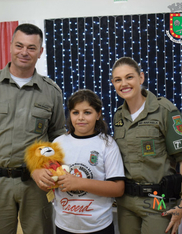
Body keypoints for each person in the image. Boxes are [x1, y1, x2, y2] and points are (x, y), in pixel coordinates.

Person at [0, 23, 66, 234]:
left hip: (37, 185)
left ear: (40, 52)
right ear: (10, 46)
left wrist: (51, 171)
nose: (24, 52)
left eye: (31, 47)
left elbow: (58, 138)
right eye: (19, 45)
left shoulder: (51, 91)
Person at [110, 57, 182, 234]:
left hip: (158, 200)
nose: (124, 83)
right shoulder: (118, 116)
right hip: (127, 203)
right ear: (113, 83)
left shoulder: (164, 110)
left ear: (141, 78)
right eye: (118, 80)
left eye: (129, 77)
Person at [33, 89, 125, 234]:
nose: (81, 117)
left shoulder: (107, 144)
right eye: (75, 112)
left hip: (99, 226)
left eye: (87, 112)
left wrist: (79, 183)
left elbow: (118, 189)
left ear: (98, 114)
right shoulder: (58, 143)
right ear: (69, 114)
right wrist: (44, 179)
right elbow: (48, 184)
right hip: (64, 225)